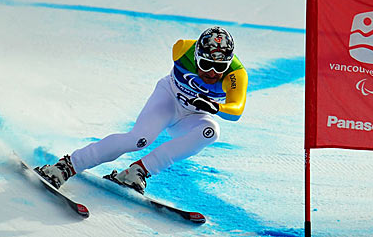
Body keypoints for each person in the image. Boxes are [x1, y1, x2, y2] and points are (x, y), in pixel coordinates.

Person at [36, 26, 248, 194]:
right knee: (139, 140)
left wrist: (216, 107)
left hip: (193, 117)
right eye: (206, 64)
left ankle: (138, 171)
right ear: (196, 55)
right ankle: (67, 166)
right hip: (168, 100)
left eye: (219, 67)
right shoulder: (183, 49)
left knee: (211, 132)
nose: (212, 72)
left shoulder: (236, 75)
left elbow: (236, 109)